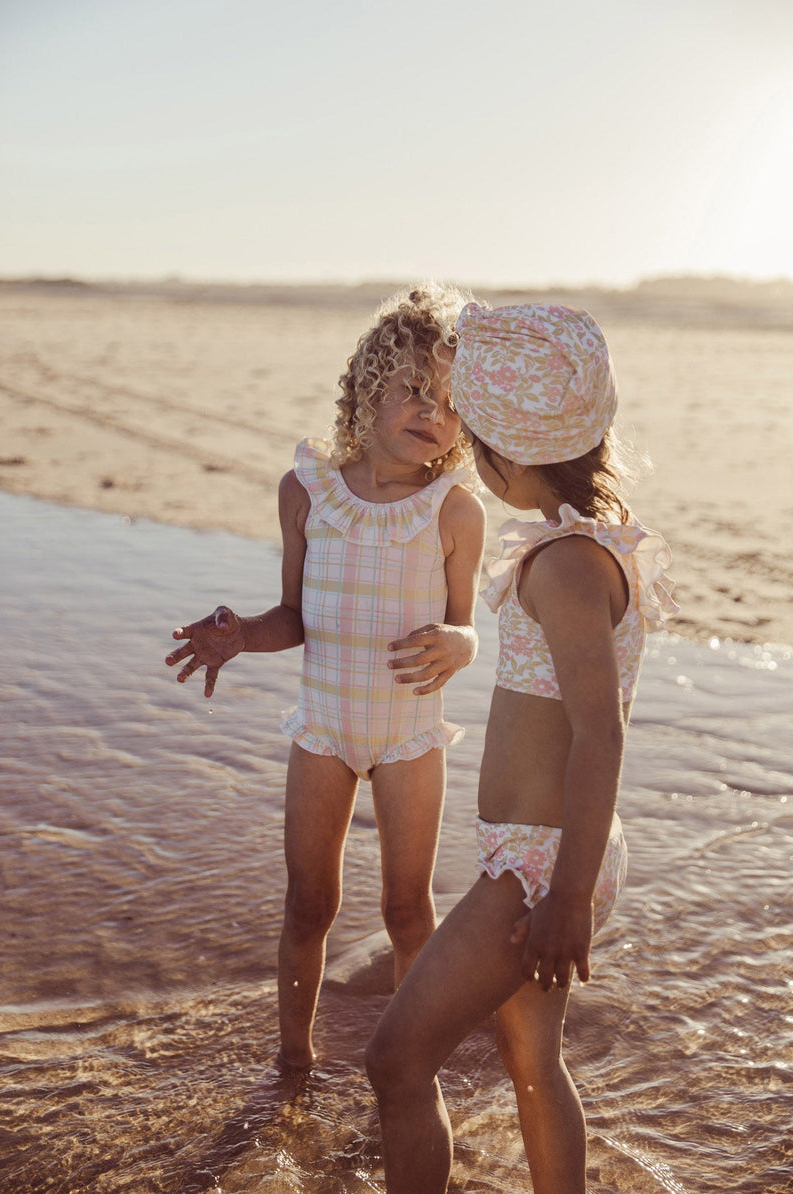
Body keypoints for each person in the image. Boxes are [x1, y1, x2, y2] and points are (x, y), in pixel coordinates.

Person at [365, 302, 678, 1193]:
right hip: (543, 850)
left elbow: (600, 733)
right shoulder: (577, 544)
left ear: (510, 457)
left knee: (395, 1063)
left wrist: (567, 896)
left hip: (547, 864)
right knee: (532, 1062)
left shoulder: (568, 567)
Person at [165, 285, 486, 1069]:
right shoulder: (308, 491)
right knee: (309, 902)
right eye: (414, 388)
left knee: (408, 909)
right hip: (325, 731)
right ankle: (293, 1061)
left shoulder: (453, 511)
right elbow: (294, 617)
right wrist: (239, 636)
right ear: (368, 384)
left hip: (411, 735)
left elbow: (467, 627)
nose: (431, 413)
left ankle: (415, 1064)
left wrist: (462, 645)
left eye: (450, 403)